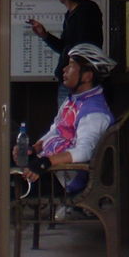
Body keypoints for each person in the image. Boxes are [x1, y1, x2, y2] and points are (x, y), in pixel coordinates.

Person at [20, 43, 116, 196]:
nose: (64, 69)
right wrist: (34, 149)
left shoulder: (94, 113)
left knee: (7, 183)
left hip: (66, 179)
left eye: (71, 66)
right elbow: (56, 130)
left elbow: (84, 151)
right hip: (54, 170)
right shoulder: (75, 100)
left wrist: (46, 163)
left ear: (87, 76)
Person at [27, 0, 104, 105]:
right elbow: (65, 47)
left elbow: (82, 50)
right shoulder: (72, 14)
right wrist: (45, 35)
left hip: (79, 82)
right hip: (72, 80)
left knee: (70, 124)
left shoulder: (86, 11)